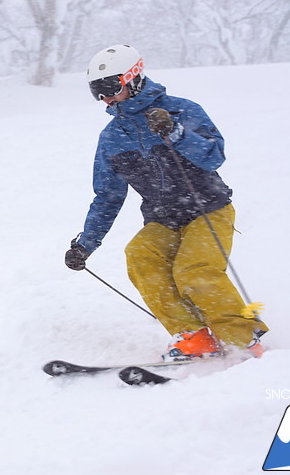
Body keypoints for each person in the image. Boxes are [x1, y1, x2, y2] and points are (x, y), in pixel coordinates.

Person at [65, 44, 268, 361]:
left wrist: (174, 132)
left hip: (208, 209)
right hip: (163, 219)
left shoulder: (181, 111)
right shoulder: (112, 137)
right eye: (96, 91)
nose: (104, 98)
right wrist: (85, 244)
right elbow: (108, 196)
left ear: (132, 79)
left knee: (194, 270)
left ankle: (244, 339)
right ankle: (195, 336)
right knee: (140, 255)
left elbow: (213, 156)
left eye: (109, 88)